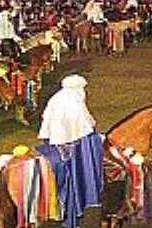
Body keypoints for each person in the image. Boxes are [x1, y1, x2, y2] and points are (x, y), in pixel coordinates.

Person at [36, 74, 104, 228]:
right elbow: (86, 124)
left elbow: (46, 118)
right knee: (94, 148)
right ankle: (87, 187)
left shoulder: (56, 98)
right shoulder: (74, 101)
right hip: (70, 143)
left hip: (54, 140)